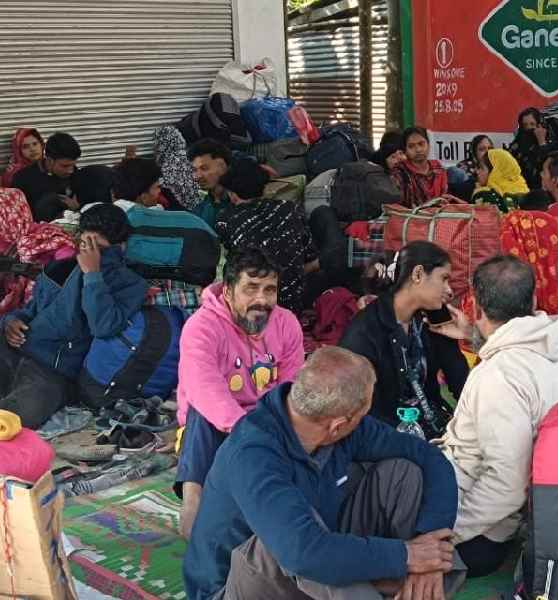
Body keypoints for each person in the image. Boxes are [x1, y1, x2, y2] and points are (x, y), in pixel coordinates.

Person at [183, 346, 462, 600]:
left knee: (403, 472)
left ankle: (406, 583)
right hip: (234, 587)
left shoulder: (336, 427)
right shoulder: (252, 454)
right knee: (295, 542)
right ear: (339, 424)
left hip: (312, 554)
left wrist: (430, 551)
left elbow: (429, 456)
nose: (367, 419)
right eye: (365, 410)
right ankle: (380, 583)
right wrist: (406, 556)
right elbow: (302, 552)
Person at [430, 256, 558, 577]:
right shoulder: (556, 351)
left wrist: (442, 536)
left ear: (478, 307)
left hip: (479, 535)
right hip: (500, 517)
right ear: (533, 300)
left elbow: (507, 483)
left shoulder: (499, 376)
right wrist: (474, 334)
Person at [175, 246, 305, 538]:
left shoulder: (286, 323)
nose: (262, 299)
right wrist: (249, 432)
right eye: (251, 288)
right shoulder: (201, 327)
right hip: (216, 427)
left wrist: (277, 428)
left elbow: (292, 385)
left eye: (270, 290)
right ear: (229, 292)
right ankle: (192, 500)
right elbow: (204, 388)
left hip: (264, 419)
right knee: (200, 411)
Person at [0, 204, 148, 428]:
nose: (90, 253)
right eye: (86, 245)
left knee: (14, 420)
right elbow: (31, 310)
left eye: (99, 248)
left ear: (121, 247)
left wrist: (93, 274)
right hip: (16, 348)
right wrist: (11, 322)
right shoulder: (60, 268)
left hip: (53, 369)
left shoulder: (130, 283)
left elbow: (103, 326)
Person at [340, 241, 468, 439]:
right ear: (418, 275)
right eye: (443, 279)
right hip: (390, 438)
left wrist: (464, 337)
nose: (449, 290)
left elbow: (461, 385)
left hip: (435, 427)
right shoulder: (364, 333)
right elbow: (364, 415)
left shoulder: (431, 319)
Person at [216, 158, 318, 318]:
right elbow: (311, 256)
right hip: (293, 304)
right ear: (264, 188)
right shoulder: (290, 208)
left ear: (232, 194)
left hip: (251, 308)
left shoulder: (226, 218)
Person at [12, 132, 81, 222]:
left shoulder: (74, 173)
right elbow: (18, 216)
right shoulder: (22, 178)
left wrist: (76, 207)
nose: (71, 170)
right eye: (65, 166)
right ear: (50, 160)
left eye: (73, 165)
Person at [391, 126, 448, 208]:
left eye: (421, 144)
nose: (418, 149)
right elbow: (398, 204)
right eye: (411, 146)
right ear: (405, 150)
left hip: (438, 216)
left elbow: (444, 198)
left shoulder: (438, 168)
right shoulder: (399, 172)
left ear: (428, 145)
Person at [509, 107, 558, 190]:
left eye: (532, 124)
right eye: (525, 125)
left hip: (547, 188)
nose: (529, 128)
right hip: (524, 187)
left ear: (539, 124)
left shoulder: (552, 141)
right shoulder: (519, 142)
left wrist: (542, 142)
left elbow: (549, 164)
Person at [155, 126, 202, 211]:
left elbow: (161, 185)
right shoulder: (192, 156)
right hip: (200, 204)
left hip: (182, 208)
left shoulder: (167, 163)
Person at [188, 139, 232, 228]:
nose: (197, 176)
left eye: (204, 168)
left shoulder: (243, 199)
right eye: (194, 170)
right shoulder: (199, 204)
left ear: (222, 166)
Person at [472, 148, 529, 213]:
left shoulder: (485, 195)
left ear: (495, 172)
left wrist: (478, 192)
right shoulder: (523, 188)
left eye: (481, 168)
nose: (477, 172)